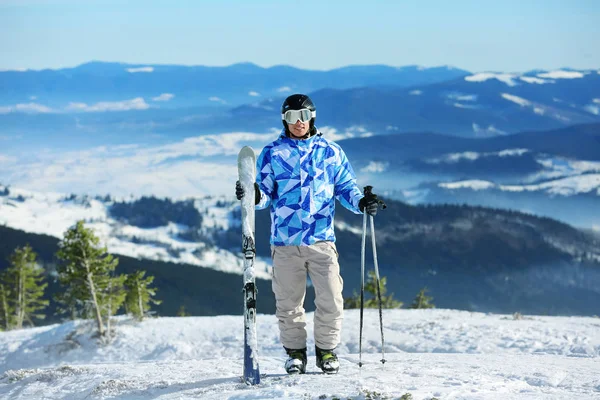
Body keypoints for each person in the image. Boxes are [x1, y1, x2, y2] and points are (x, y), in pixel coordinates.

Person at [235, 93, 382, 375]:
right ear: (284, 119)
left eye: (303, 116)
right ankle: (295, 354)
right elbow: (265, 194)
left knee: (331, 298)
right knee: (289, 303)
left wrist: (361, 203)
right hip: (286, 242)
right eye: (291, 117)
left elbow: (345, 187)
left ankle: (326, 350)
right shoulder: (273, 153)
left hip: (321, 239)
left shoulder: (330, 151)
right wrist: (252, 195)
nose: (298, 122)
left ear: (312, 117)